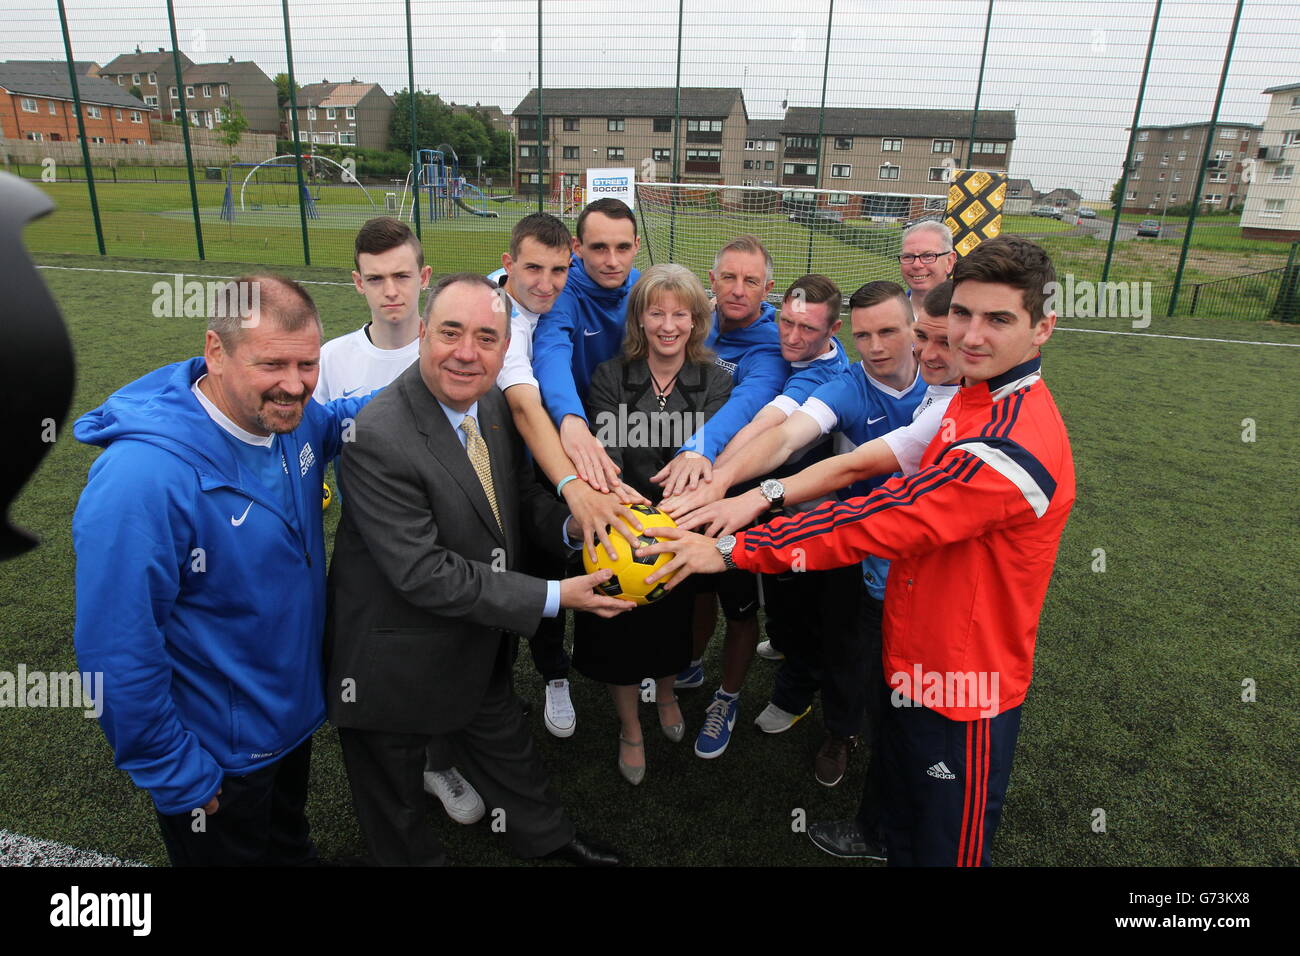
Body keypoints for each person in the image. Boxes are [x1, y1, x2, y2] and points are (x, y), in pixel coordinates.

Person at [638, 236, 1077, 866]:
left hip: (963, 679)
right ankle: (876, 834)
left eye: (999, 320)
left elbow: (874, 520)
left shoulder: (1010, 445)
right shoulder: (968, 397)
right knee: (894, 769)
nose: (970, 337)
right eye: (963, 315)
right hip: (913, 643)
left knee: (944, 838)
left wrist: (736, 548)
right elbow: (868, 461)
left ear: (1042, 329)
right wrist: (754, 494)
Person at [326, 273, 633, 867]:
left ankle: (550, 843)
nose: (467, 352)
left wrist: (576, 526)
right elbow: (422, 572)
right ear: (421, 334)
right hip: (391, 664)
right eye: (451, 332)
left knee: (509, 752)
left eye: (487, 338)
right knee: (395, 809)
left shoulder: (488, 402)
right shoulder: (377, 436)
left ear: (503, 350)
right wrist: (555, 596)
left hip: (473, 640)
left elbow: (515, 498)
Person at [72, 274, 373, 866]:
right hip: (217, 756)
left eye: (308, 364)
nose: (295, 386)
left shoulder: (290, 419)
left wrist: (441, 377)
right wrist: (174, 771)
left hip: (290, 720)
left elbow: (338, 420)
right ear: (215, 350)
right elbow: (116, 647)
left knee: (289, 844)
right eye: (272, 365)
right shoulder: (142, 479)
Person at [680, 279, 962, 858]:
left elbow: (854, 466)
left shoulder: (957, 391)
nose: (878, 345)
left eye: (890, 331)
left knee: (918, 689)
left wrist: (752, 497)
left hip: (932, 570)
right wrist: (722, 481)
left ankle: (901, 795)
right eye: (864, 335)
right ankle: (841, 734)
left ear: (915, 325)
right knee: (845, 649)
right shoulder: (847, 384)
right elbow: (786, 435)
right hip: (857, 554)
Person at [574, 264, 733, 784]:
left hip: (679, 529)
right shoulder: (609, 376)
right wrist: (631, 521)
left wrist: (665, 528)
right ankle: (629, 726)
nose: (668, 324)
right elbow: (608, 454)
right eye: (655, 312)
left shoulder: (715, 379)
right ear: (639, 319)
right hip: (620, 524)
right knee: (616, 628)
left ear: (696, 319)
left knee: (672, 624)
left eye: (679, 313)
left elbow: (708, 459)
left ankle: (665, 693)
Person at [490, 212, 645, 740]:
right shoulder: (500, 317)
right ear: (509, 264)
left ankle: (582, 668)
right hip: (509, 462)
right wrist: (572, 474)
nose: (546, 282)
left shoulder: (563, 299)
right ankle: (542, 675)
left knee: (565, 558)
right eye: (534, 268)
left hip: (556, 454)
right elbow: (527, 404)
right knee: (513, 569)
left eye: (557, 270)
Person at [660, 274, 850, 665]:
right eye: (787, 323)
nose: (793, 337)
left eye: (807, 328)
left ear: (833, 329)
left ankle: (800, 691)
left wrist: (708, 476)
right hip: (778, 501)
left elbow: (769, 425)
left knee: (812, 610)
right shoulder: (794, 349)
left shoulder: (823, 376)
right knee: (781, 601)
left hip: (813, 513)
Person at [532, 197, 642, 493]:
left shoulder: (643, 288)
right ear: (576, 247)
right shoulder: (564, 292)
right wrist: (570, 417)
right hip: (576, 428)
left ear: (636, 245)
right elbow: (550, 350)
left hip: (629, 428)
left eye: (622, 248)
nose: (612, 261)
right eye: (599, 248)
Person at [313, 217, 430, 405]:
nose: (390, 292)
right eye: (375, 279)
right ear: (359, 283)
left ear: (424, 277)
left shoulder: (448, 355)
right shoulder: (330, 358)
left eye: (401, 276)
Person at [898, 220, 958, 301]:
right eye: (908, 256)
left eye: (928, 256)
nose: (916, 265)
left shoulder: (968, 311)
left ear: (949, 262)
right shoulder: (888, 312)